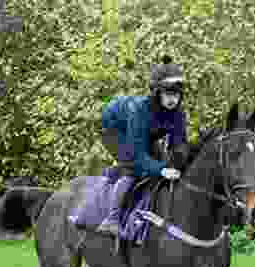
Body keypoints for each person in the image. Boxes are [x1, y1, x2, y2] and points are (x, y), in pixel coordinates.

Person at [68, 55, 188, 235]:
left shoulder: (178, 114)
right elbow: (137, 155)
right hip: (115, 129)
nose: (173, 99)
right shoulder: (139, 110)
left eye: (176, 94)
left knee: (157, 166)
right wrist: (162, 170)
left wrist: (179, 163)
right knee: (133, 168)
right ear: (157, 93)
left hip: (143, 134)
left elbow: (179, 147)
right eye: (168, 94)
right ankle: (112, 219)